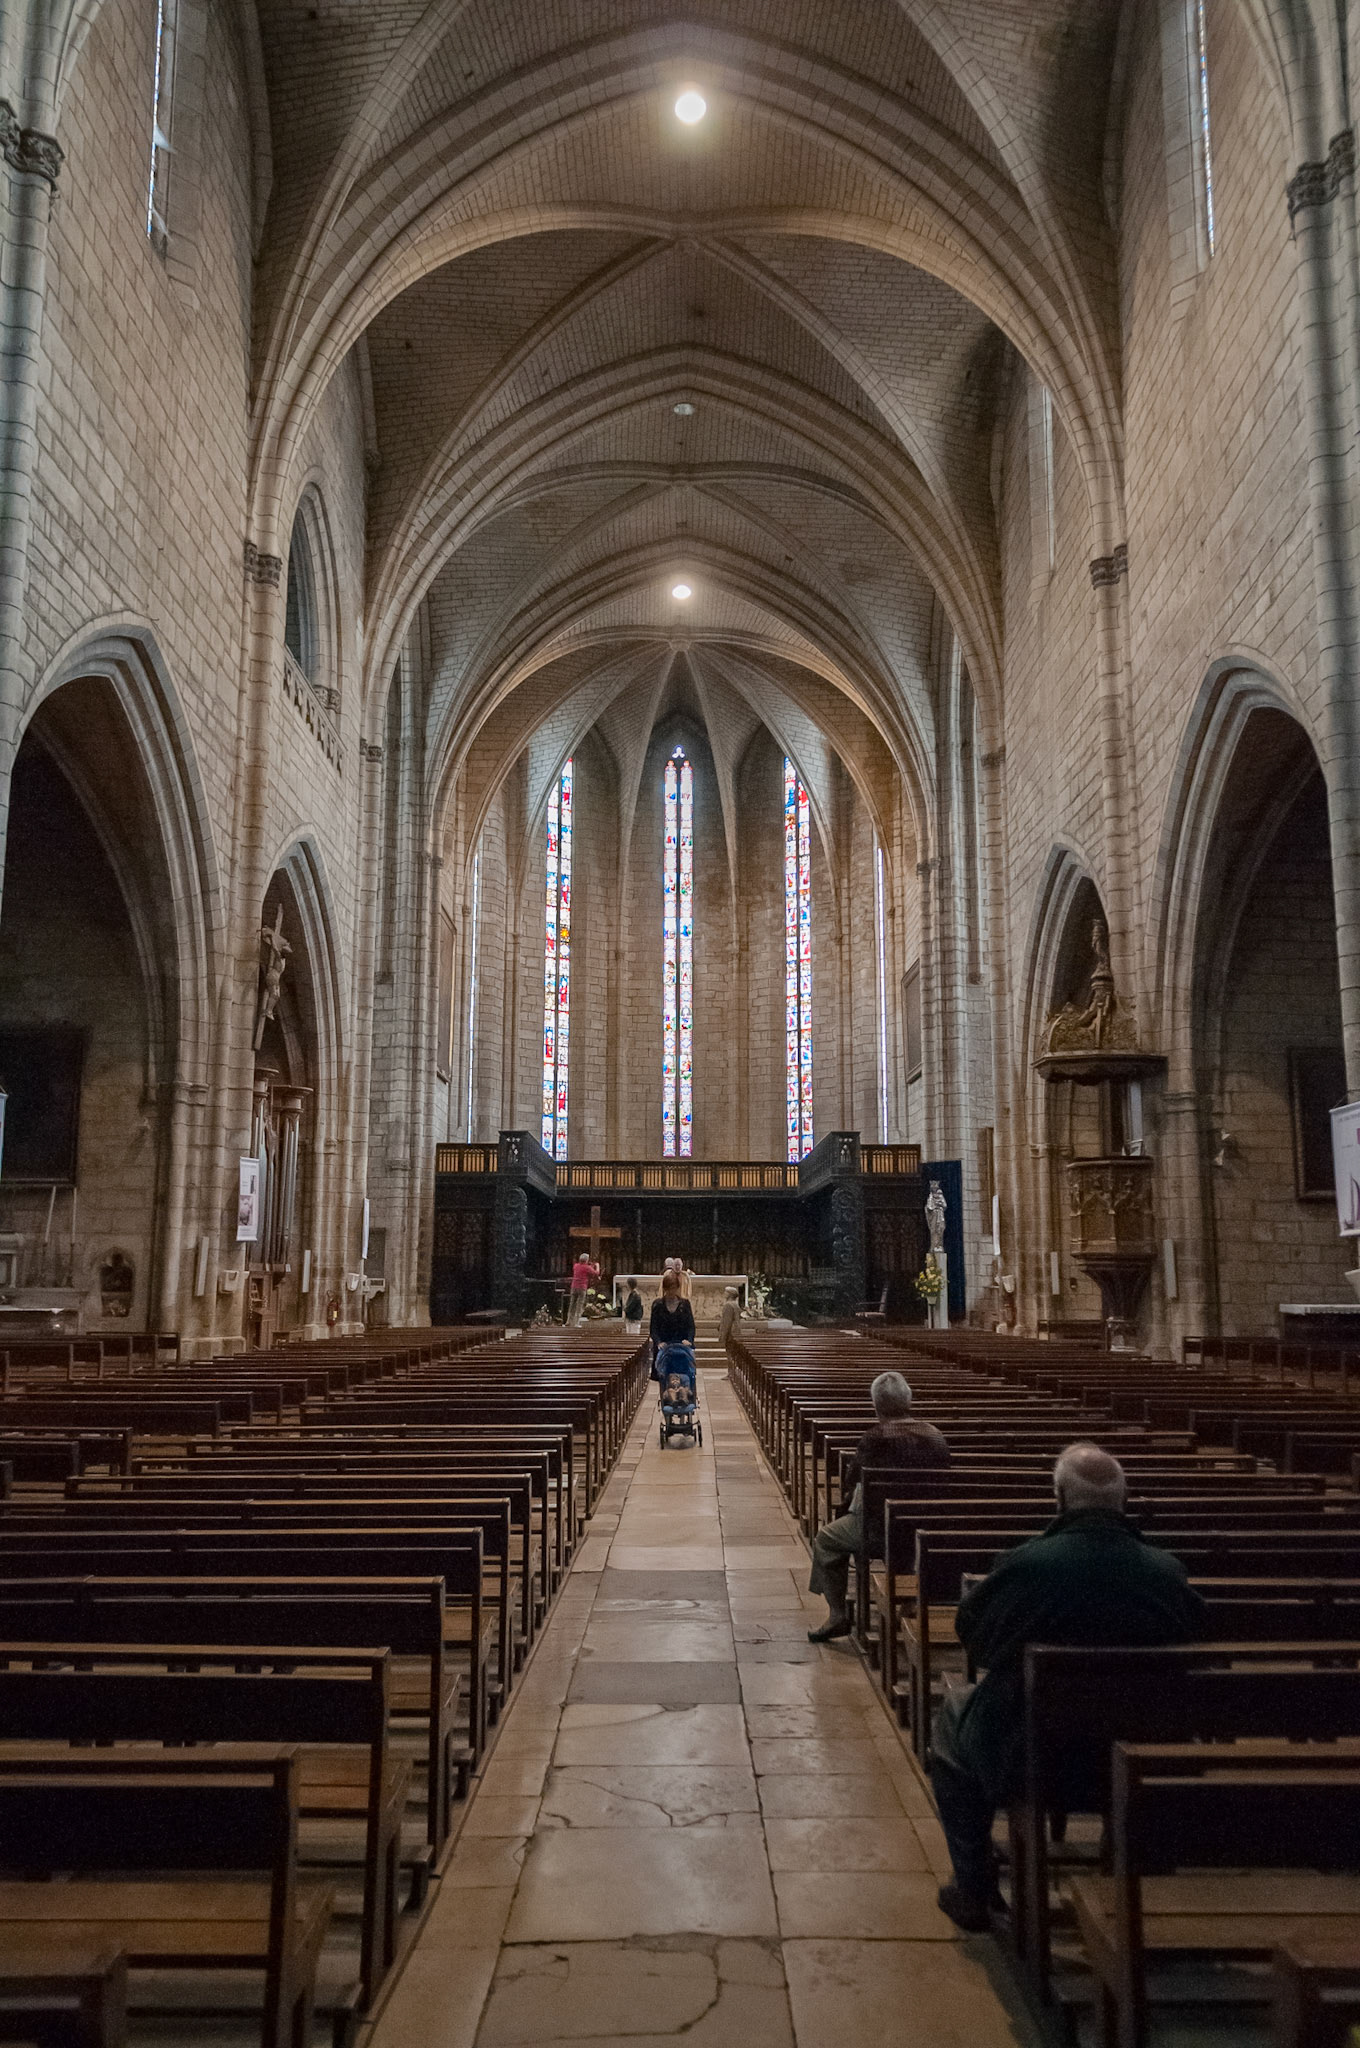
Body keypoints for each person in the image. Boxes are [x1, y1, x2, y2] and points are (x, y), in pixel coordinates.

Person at [928, 1442, 1208, 1933]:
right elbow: (1199, 1645)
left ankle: (973, 1886)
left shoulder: (1029, 1564)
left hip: (1033, 1755)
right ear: (1123, 1500)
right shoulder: (1166, 1573)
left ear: (1058, 1498)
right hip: (1138, 1758)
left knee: (952, 1720)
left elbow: (976, 1638)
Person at [807, 1371, 950, 1643]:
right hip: (927, 1527)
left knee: (826, 1539)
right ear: (909, 1400)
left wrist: (848, 1509)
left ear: (875, 1405)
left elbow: (851, 1485)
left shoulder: (875, 1438)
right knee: (901, 1523)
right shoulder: (934, 1435)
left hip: (880, 1530)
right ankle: (907, 1599)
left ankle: (838, 1614)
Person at [649, 1269, 695, 1375]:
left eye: (674, 1288)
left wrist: (689, 1340)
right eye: (668, 1289)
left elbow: (691, 1325)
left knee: (683, 1380)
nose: (671, 1291)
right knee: (664, 1380)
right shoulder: (658, 1305)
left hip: (681, 1345)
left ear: (678, 1288)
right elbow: (653, 1327)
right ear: (665, 1289)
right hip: (664, 1346)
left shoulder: (685, 1304)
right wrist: (658, 1342)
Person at [567, 1252, 598, 1326]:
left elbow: (583, 1269)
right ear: (586, 1260)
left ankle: (568, 1321)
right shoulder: (587, 1267)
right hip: (582, 1288)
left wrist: (590, 1265)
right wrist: (597, 1266)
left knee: (572, 1305)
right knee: (579, 1305)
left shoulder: (576, 1266)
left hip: (574, 1287)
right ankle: (576, 1323)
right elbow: (596, 1273)